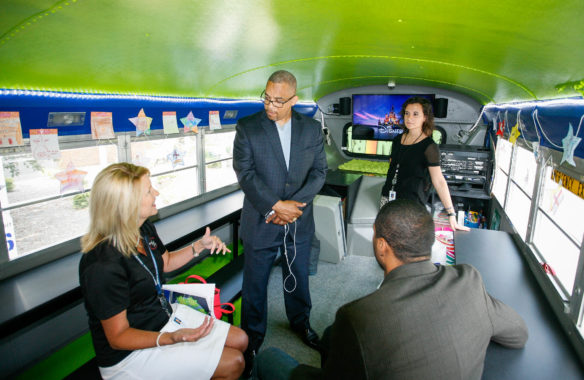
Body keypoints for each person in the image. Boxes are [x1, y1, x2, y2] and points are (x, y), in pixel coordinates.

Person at [255, 199, 528, 380]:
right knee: (330, 335)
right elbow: (518, 335)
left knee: (269, 359)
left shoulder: (358, 315)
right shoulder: (469, 279)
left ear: (382, 245)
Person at [79, 163, 248, 380]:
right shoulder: (101, 265)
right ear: (126, 204)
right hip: (129, 354)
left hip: (163, 317)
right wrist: (171, 338)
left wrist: (199, 246)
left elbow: (165, 262)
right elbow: (118, 337)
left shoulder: (143, 229)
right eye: (149, 191)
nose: (156, 193)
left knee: (241, 340)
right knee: (234, 363)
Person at [233, 70, 328, 375]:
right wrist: (275, 206)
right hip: (261, 221)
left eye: (278, 101)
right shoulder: (248, 127)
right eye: (266, 97)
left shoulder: (311, 130)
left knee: (298, 277)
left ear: (294, 100)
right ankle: (252, 340)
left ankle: (302, 324)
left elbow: (319, 173)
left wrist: (293, 207)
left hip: (298, 220)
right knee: (255, 286)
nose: (270, 106)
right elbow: (245, 173)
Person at [380, 96, 469, 231]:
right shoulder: (397, 140)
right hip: (388, 198)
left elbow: (439, 181)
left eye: (416, 114)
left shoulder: (430, 147)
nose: (410, 118)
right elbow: (393, 166)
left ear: (425, 118)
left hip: (411, 204)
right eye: (407, 113)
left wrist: (451, 213)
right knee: (387, 233)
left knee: (405, 240)